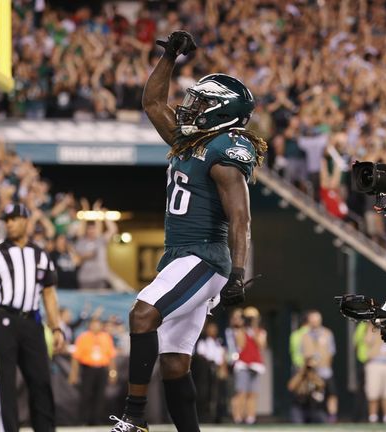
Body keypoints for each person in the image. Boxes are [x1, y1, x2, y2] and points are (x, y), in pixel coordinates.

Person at [108, 30, 267, 432]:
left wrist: (237, 273)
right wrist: (170, 58)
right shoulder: (190, 142)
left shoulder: (226, 150)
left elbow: (241, 217)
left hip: (204, 257)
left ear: (223, 112)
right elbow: (152, 103)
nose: (191, 106)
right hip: (181, 256)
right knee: (175, 362)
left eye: (202, 102)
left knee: (143, 314)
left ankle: (134, 417)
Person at [0, 203, 65, 432]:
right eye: (7, 220)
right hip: (3, 319)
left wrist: (56, 328)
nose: (10, 224)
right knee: (5, 383)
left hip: (32, 321)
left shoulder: (40, 255)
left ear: (26, 221)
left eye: (14, 219)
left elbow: (49, 293)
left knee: (41, 381)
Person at [69, 317, 118, 426]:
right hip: (88, 369)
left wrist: (113, 372)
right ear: (89, 325)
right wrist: (74, 373)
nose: (95, 326)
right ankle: (82, 420)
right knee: (85, 395)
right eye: (93, 324)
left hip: (101, 369)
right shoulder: (83, 337)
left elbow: (112, 357)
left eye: (97, 324)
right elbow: (76, 357)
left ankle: (96, 420)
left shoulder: (106, 337)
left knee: (100, 396)